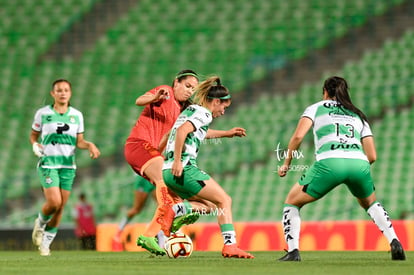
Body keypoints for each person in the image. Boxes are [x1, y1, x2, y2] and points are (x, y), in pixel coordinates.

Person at [277, 76, 406, 261]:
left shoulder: (316, 108)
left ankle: (293, 252)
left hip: (329, 162)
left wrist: (286, 164)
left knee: (292, 201)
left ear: (325, 92)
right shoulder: (358, 114)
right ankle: (394, 240)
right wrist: (353, 168)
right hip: (359, 163)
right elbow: (372, 156)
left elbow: (298, 137)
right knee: (370, 203)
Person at [162, 76, 254, 259]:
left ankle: (177, 209)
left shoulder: (191, 111)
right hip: (184, 168)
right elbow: (182, 132)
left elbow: (186, 132)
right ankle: (230, 245)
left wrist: (227, 134)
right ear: (217, 101)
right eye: (224, 107)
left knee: (212, 206)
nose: (223, 112)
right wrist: (178, 161)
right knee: (225, 200)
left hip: (168, 171)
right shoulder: (204, 113)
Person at [124, 70, 203, 255]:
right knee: (165, 185)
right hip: (138, 145)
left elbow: (167, 137)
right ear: (176, 82)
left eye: (193, 88)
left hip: (149, 153)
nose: (190, 91)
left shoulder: (182, 110)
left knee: (173, 194)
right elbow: (139, 100)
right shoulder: (165, 91)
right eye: (187, 86)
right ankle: (155, 232)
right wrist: (154, 97)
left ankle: (159, 233)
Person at [30, 79, 100, 256]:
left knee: (61, 207)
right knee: (55, 202)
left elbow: (80, 141)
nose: (62, 93)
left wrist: (90, 145)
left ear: (70, 93)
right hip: (49, 163)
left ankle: (46, 244)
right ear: (53, 93)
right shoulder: (43, 114)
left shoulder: (77, 115)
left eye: (66, 90)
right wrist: (35, 145)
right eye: (59, 90)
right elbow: (33, 136)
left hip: (68, 166)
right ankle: (40, 223)